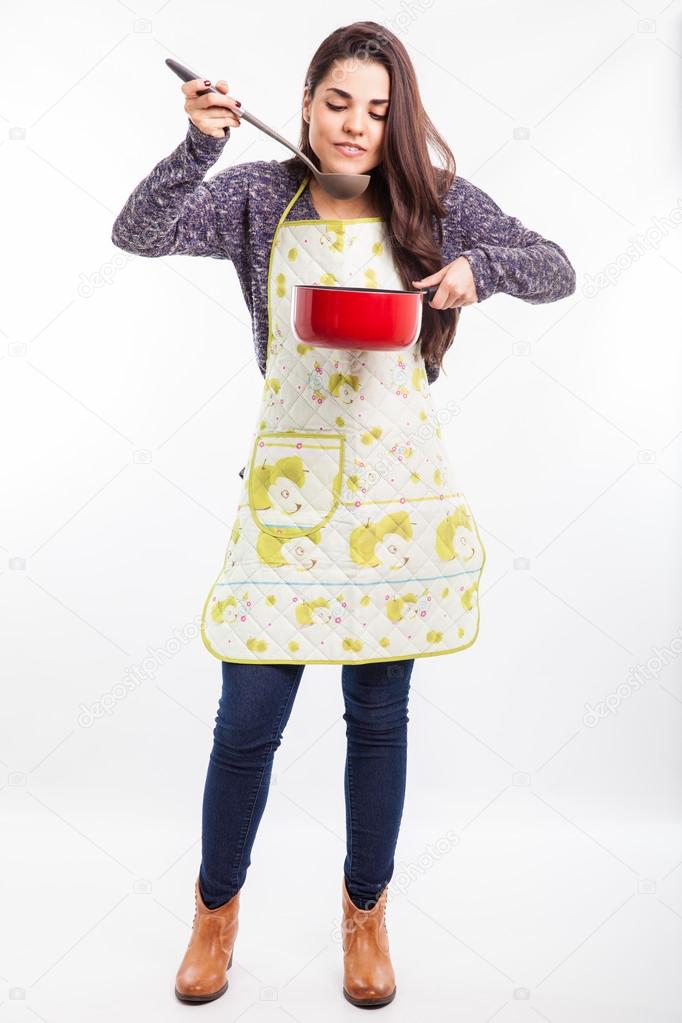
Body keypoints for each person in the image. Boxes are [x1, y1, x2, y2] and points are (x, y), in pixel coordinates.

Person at [111, 21, 576, 1009]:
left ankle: (365, 913)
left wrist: (475, 273)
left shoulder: (434, 205)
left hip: (390, 504)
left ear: (395, 117)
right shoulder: (253, 197)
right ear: (308, 103)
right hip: (287, 500)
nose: (356, 125)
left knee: (378, 719)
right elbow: (138, 233)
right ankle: (214, 912)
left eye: (377, 108)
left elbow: (555, 264)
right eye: (337, 103)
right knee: (246, 725)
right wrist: (200, 143)